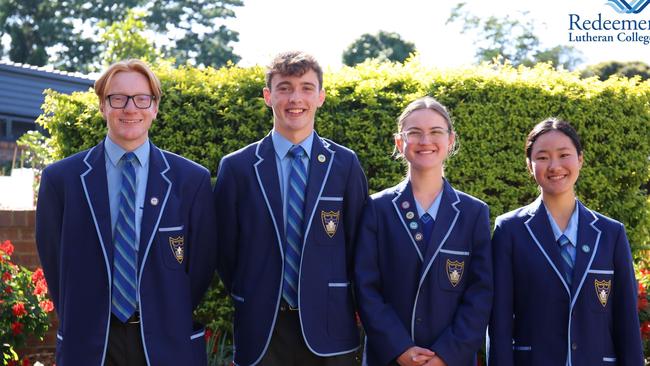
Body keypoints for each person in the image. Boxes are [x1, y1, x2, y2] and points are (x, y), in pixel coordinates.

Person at [35, 59, 217, 366]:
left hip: (165, 341)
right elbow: (54, 261)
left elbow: (201, 266)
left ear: (155, 107)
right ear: (103, 106)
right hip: (89, 342)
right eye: (117, 98)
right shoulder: (61, 181)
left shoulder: (190, 180)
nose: (130, 108)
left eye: (141, 98)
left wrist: (168, 308)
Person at [212, 51, 368, 366]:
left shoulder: (344, 164)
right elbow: (225, 252)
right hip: (262, 327)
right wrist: (252, 288)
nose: (295, 98)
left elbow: (359, 247)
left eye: (306, 87)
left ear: (321, 97)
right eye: (284, 87)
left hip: (329, 326)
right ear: (268, 96)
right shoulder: (238, 167)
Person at [488, 118, 644, 365]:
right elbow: (500, 321)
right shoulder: (510, 230)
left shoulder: (610, 233)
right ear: (529, 165)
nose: (554, 165)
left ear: (580, 159)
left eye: (564, 155)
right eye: (542, 157)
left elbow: (626, 321)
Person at [354, 96, 493, 366]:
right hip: (389, 358)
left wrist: (446, 354)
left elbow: (481, 293)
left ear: (451, 140)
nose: (425, 140)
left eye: (436, 132)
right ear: (399, 142)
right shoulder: (377, 209)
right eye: (414, 133)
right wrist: (400, 349)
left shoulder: (473, 212)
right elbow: (365, 288)